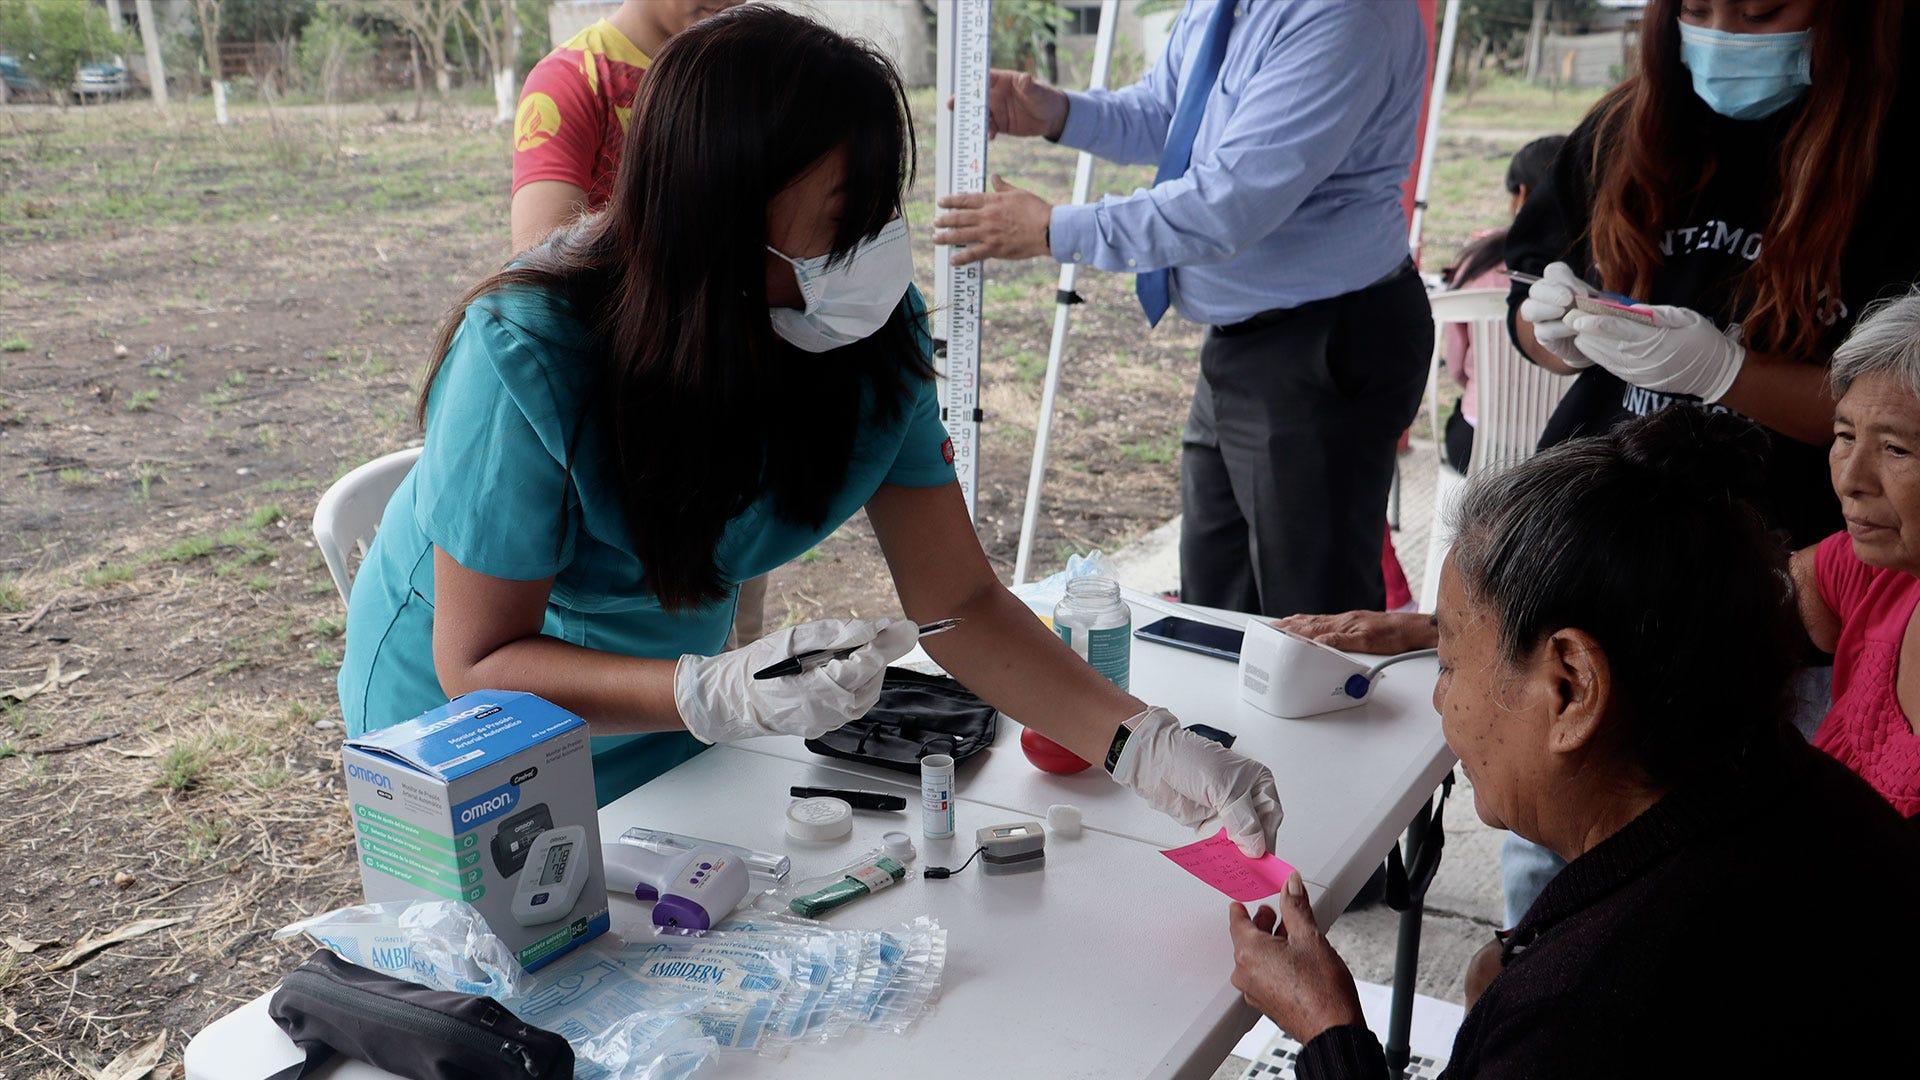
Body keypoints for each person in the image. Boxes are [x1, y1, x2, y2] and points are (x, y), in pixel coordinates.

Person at [339, 8, 1284, 859]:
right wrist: (705, 693)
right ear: (716, 220)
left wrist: (1142, 743)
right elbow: (478, 663)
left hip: (669, 717)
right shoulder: (529, 354)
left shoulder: (867, 335)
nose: (883, 244)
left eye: (885, 206)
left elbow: (958, 602)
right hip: (476, 737)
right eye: (848, 215)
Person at [1287, 0, 1918, 949]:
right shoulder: (1631, 126)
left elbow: (1896, 411)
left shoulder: (1890, 146)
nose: (1729, 29)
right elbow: (1531, 301)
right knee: (1550, 881)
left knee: (1721, 912)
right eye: (1699, 7)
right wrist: (1554, 327)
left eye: (1762, 8)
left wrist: (1726, 374)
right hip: (1603, 541)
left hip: (1786, 574)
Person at [1229, 408, 1920, 1078]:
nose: (1442, 699)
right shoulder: (1801, 794)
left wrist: (1328, 1034)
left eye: (1450, 664)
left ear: (1572, 687)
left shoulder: (1585, 1014)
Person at [930, 1, 1434, 619]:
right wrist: (1061, 113)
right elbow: (1171, 112)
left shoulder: (1345, 15)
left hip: (1326, 339)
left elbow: (1230, 202)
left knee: (1313, 628)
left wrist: (1055, 230)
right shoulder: (1226, 6)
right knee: (1216, 601)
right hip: (1246, 340)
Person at [511, 0, 769, 648]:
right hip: (623, 430)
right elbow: (542, 274)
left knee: (736, 640)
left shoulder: (749, 73)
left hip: (733, 412)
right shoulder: (575, 81)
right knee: (636, 654)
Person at [1792, 290, 1920, 817]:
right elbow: (1779, 587)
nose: (1849, 480)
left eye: (1896, 449)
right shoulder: (1884, 571)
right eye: (1844, 435)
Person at [1438, 135, 1565, 473]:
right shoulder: (1605, 266)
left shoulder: (1480, 263)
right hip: (1566, 450)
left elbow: (1456, 366)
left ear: (1521, 194)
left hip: (1479, 444)